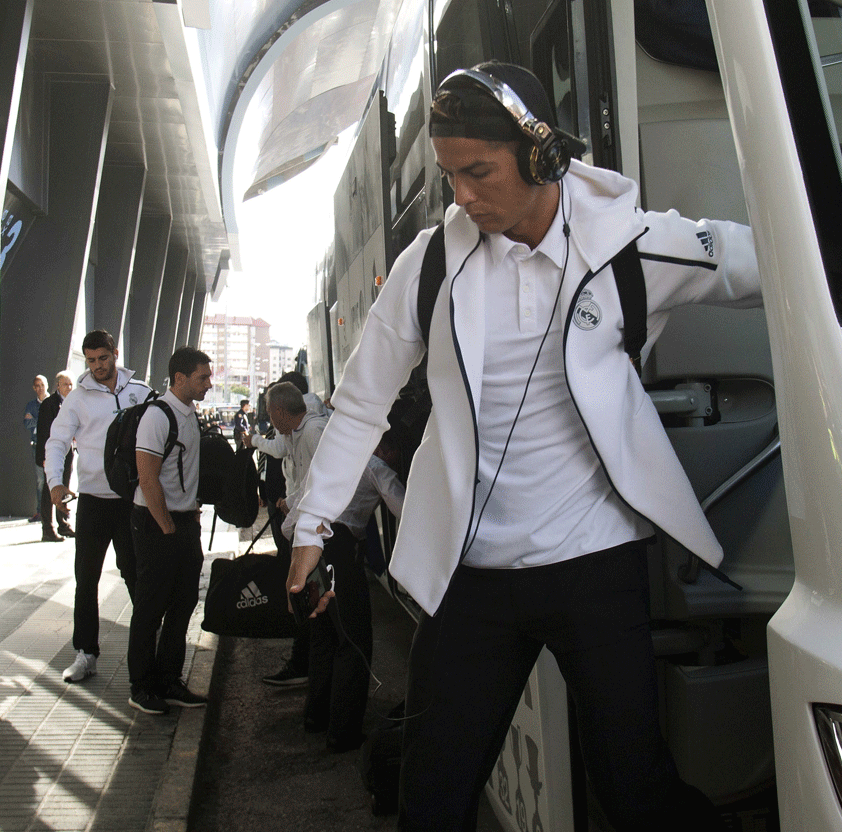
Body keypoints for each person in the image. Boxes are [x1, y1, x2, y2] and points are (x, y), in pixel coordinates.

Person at [287, 62, 760, 830]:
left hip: (595, 563)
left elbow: (768, 261)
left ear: (542, 157)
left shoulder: (629, 249)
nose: (463, 197)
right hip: (473, 576)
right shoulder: (430, 265)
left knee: (636, 790)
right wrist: (313, 525)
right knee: (432, 798)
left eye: (479, 172)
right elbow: (361, 402)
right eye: (449, 177)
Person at [44, 331, 151, 683]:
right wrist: (56, 483)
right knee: (85, 579)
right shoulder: (76, 398)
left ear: (114, 354)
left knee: (136, 573)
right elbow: (57, 441)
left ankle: (150, 645)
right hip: (92, 500)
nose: (97, 366)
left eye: (103, 359)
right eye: (90, 361)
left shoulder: (141, 392)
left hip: (132, 500)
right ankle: (85, 653)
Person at [304, 435, 405, 753]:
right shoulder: (375, 466)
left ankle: (315, 717)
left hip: (309, 546)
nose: (393, 459)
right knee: (353, 642)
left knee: (325, 637)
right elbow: (404, 508)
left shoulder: (338, 455)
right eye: (392, 452)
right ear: (383, 447)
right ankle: (343, 733)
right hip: (339, 552)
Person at [126, 346, 212, 714]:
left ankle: (168, 680)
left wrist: (189, 515)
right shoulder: (157, 416)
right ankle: (141, 687)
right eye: (202, 377)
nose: (209, 383)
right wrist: (166, 527)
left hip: (181, 522)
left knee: (183, 604)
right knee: (150, 607)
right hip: (156, 522)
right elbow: (148, 479)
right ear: (179, 378)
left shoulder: (188, 412)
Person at [242, 382, 329, 687]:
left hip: (319, 537)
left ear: (279, 410)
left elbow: (319, 484)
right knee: (303, 601)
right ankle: (305, 664)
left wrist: (290, 508)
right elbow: (303, 479)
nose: (269, 419)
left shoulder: (313, 433)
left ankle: (305, 667)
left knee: (305, 599)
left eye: (269, 411)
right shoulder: (297, 433)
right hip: (307, 531)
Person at [36, 372, 75, 543]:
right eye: (66, 384)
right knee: (49, 489)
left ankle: (63, 524)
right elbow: (44, 432)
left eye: (71, 384)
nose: (69, 387)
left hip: (68, 453)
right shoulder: (49, 404)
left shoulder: (73, 403)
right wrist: (45, 457)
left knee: (64, 486)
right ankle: (48, 528)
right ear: (58, 385)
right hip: (52, 453)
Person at [23, 375, 49, 523]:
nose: (40, 388)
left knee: (54, 479)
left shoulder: (52, 402)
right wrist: (42, 420)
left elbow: (53, 423)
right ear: (34, 388)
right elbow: (27, 424)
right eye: (37, 386)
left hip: (52, 446)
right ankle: (40, 512)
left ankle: (55, 512)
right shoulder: (31, 405)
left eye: (42, 385)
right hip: (37, 446)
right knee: (40, 481)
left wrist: (34, 419)